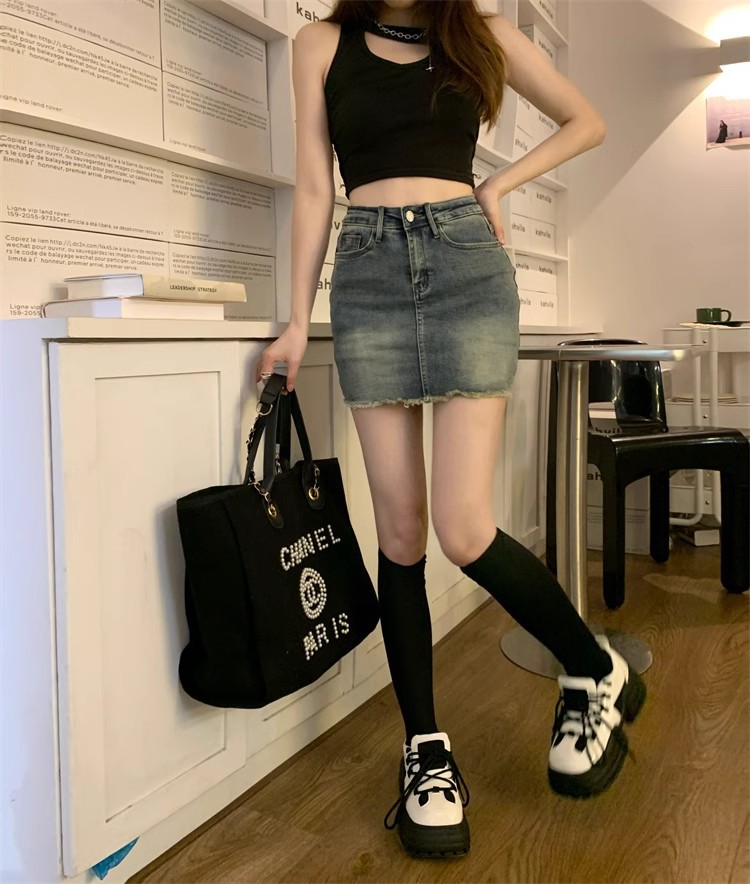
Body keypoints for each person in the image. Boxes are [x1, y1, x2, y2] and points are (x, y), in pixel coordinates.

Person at [256, 0, 646, 859]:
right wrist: (295, 319)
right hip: (366, 278)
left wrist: (497, 185)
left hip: (468, 266)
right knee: (399, 535)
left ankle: (594, 667)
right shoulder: (318, 43)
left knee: (463, 529)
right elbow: (316, 188)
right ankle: (425, 750)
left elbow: (587, 120)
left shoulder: (481, 32)